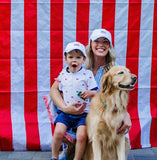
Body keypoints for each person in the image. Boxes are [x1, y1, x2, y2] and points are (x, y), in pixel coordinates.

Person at [49, 29, 132, 159]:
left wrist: (125, 114)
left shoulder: (115, 69)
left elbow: (121, 97)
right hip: (75, 112)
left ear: (109, 46)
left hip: (102, 115)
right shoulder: (78, 62)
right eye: (97, 41)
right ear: (90, 44)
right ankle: (71, 146)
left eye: (105, 42)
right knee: (57, 101)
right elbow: (54, 90)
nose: (101, 44)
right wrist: (65, 108)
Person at [50, 41, 98, 160]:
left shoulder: (87, 74)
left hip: (83, 114)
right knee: (58, 132)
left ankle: (77, 158)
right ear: (65, 59)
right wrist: (63, 106)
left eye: (78, 57)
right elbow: (59, 91)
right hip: (66, 113)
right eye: (70, 57)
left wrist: (89, 93)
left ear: (84, 59)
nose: (74, 60)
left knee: (81, 136)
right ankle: (54, 156)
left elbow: (95, 92)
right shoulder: (62, 74)